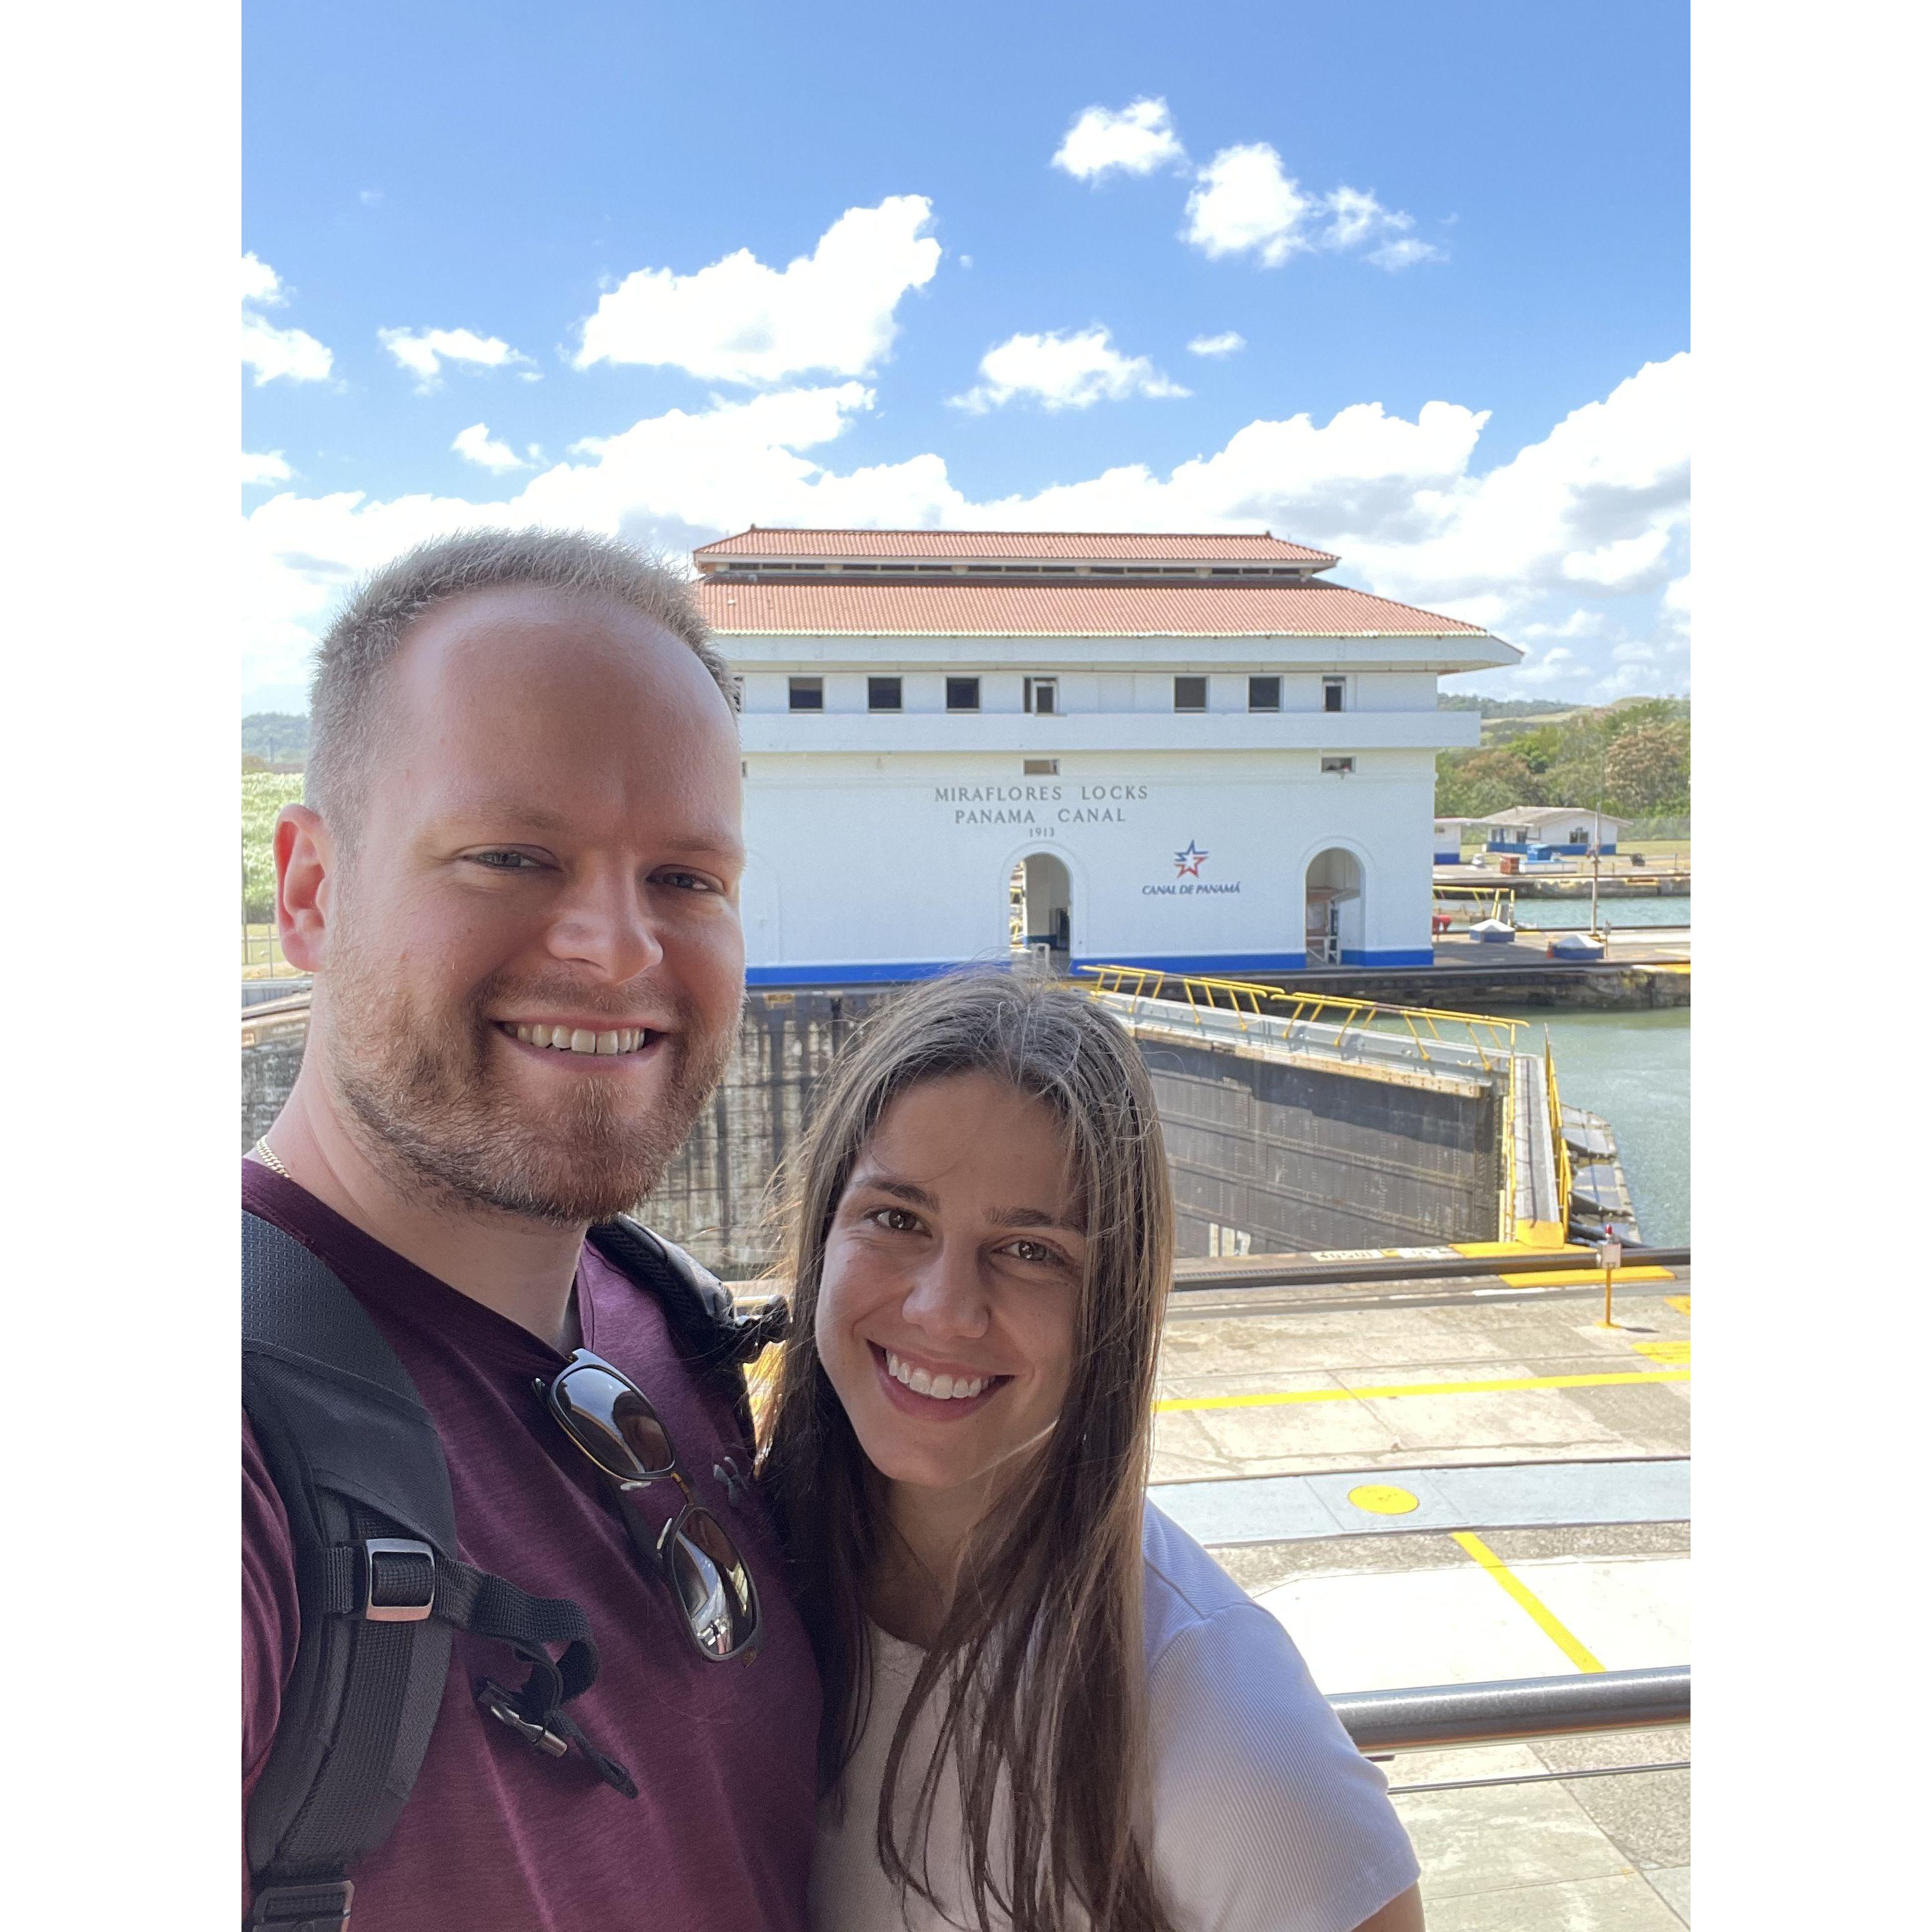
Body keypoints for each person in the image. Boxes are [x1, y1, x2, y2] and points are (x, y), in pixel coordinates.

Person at [243, 529, 821, 1928]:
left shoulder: (657, 1325)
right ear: (312, 890)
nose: (618, 949)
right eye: (509, 852)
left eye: (687, 878)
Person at [761, 972, 1425, 1932]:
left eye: (1031, 1251)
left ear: (1113, 1307)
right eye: (897, 1220)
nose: (942, 1307)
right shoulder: (738, 1584)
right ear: (823, 1234)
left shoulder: (1221, 1722)